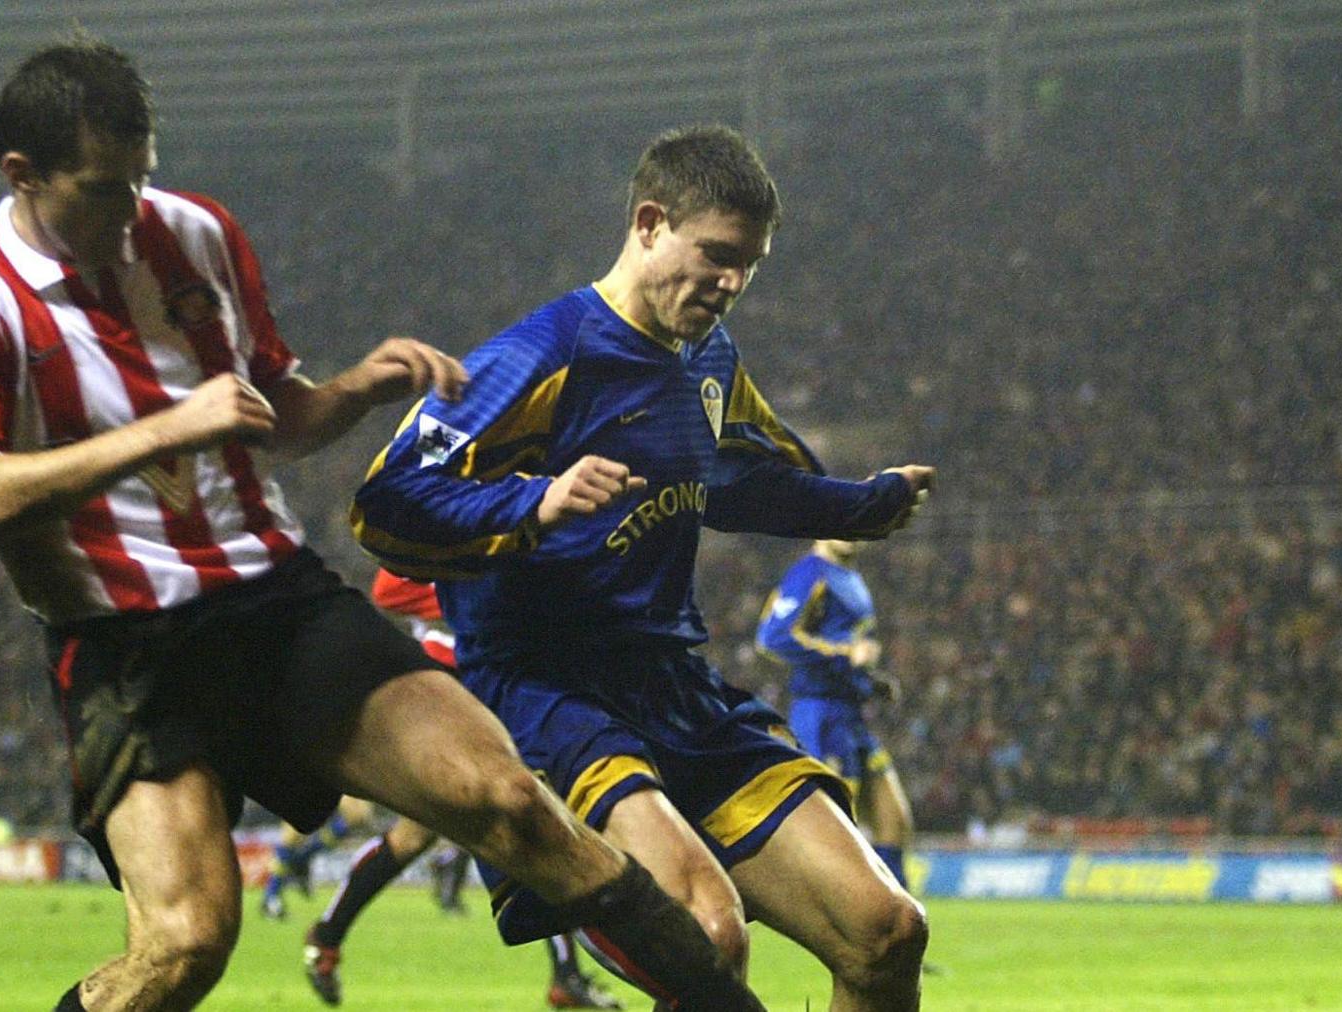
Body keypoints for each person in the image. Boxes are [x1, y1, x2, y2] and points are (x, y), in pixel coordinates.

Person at [0, 39, 769, 1012]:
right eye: (105, 190)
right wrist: (164, 430)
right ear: (22, 174)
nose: (131, 211)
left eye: (142, 179)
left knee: (509, 800)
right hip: (125, 646)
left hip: (277, 603)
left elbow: (274, 418)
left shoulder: (197, 234)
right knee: (185, 946)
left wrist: (358, 387)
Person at [353, 124, 935, 1011]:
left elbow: (739, 481)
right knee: (707, 937)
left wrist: (862, 505)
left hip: (673, 683)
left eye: (749, 266)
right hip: (549, 694)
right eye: (717, 256)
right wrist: (533, 502)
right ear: (651, 224)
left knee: (886, 929)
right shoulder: (540, 356)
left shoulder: (709, 360)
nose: (732, 283)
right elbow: (386, 502)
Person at [302, 570, 622, 1009]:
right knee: (521, 820)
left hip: (492, 682)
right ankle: (566, 976)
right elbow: (389, 590)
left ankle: (327, 936)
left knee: (425, 836)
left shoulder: (512, 545)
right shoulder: (452, 544)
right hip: (446, 686)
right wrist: (473, 598)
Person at [756, 540, 916, 892]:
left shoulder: (850, 577)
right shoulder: (810, 573)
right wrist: (846, 654)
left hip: (851, 714)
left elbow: (845, 644)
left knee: (894, 819)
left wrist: (869, 681)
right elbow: (771, 637)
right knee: (838, 832)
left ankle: (897, 912)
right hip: (821, 714)